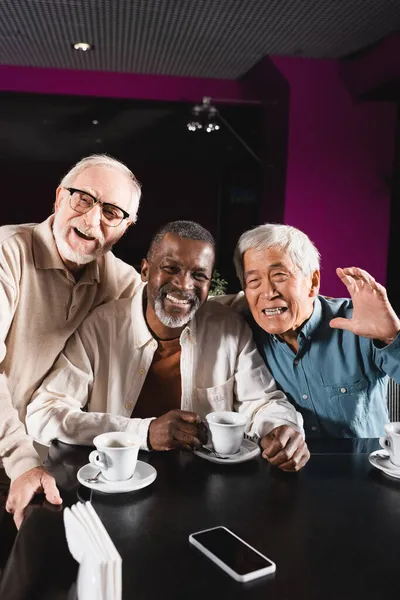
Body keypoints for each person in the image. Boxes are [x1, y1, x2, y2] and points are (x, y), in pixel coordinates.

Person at [27, 221, 309, 472]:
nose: (184, 285)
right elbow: (44, 414)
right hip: (116, 483)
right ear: (146, 269)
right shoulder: (101, 327)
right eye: (171, 268)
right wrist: (144, 433)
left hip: (206, 485)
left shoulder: (228, 328)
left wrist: (281, 429)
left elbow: (263, 402)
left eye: (199, 275)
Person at [0, 154, 142, 527]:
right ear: (60, 197)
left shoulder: (122, 283)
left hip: (51, 468)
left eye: (111, 212)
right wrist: (21, 462)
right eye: (83, 199)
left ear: (125, 227)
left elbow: (173, 309)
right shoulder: (6, 252)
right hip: (19, 460)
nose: (92, 220)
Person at [231, 223, 400, 438]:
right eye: (254, 281)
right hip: (286, 469)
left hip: (363, 467)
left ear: (313, 281)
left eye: (280, 276)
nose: (268, 292)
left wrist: (391, 337)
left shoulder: (359, 322)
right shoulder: (243, 334)